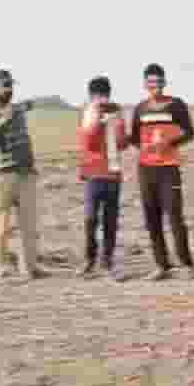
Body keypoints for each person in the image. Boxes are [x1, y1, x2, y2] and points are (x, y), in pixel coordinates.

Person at [130, 63, 194, 280]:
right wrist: (146, 148)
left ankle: (187, 264)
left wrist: (169, 143)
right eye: (152, 83)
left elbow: (190, 133)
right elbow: (134, 138)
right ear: (145, 84)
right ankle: (162, 265)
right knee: (152, 219)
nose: (156, 87)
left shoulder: (176, 104)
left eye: (160, 82)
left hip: (169, 169)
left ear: (165, 83)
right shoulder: (140, 108)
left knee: (175, 217)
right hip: (145, 170)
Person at [0, 68, 43, 280]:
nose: (9, 89)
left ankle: (30, 267)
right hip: (1, 175)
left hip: (25, 173)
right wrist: (2, 120)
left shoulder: (16, 108)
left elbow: (29, 105)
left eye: (11, 85)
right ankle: (0, 269)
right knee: (0, 224)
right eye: (4, 85)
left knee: (28, 224)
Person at [76, 76, 129, 280]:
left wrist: (117, 125)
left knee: (110, 220)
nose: (102, 99)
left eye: (105, 95)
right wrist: (99, 120)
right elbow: (88, 142)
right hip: (93, 174)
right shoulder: (86, 113)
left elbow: (123, 144)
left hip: (113, 174)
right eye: (98, 96)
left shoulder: (117, 112)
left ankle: (107, 260)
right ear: (91, 97)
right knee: (90, 219)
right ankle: (89, 260)